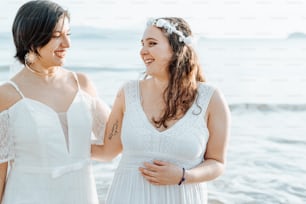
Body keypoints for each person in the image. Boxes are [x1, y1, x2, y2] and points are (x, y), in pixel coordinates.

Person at [95, 17, 231, 204]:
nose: (143, 51)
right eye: (142, 44)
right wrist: (53, 143)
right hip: (126, 196)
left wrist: (183, 176)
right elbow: (107, 151)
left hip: (182, 197)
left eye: (152, 43)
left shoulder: (211, 98)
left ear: (176, 49)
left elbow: (217, 163)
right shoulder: (127, 93)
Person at [0, 1, 110, 203]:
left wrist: (132, 97)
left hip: (81, 195)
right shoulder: (6, 96)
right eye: (57, 36)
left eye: (68, 34)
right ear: (32, 38)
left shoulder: (82, 85)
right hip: (26, 196)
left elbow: (111, 147)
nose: (67, 44)